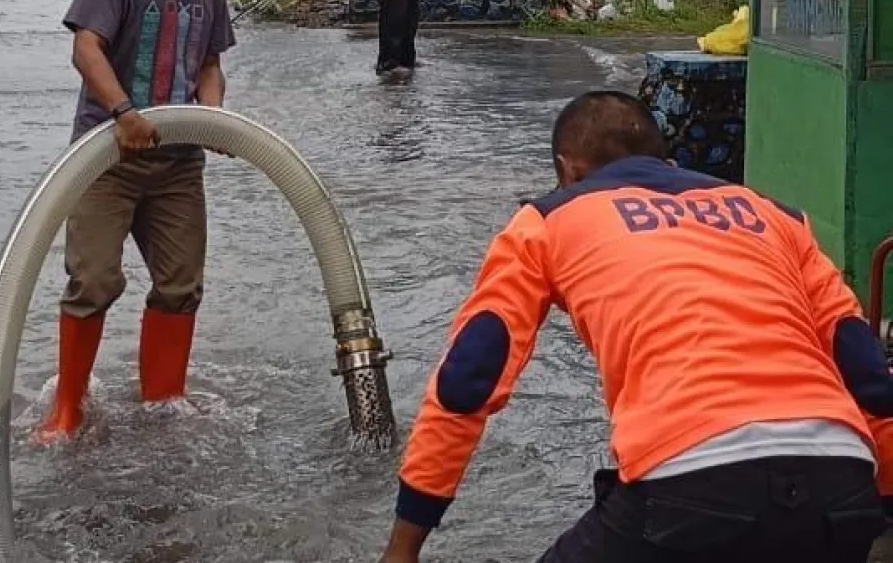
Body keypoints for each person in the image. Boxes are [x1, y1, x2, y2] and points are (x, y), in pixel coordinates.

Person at [380, 89, 893, 563]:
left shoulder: (547, 219)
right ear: (667, 162)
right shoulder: (776, 216)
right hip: (840, 478)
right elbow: (866, 372)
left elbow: (470, 379)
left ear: (568, 170)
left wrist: (404, 548)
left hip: (687, 482)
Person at [36, 0, 236, 443]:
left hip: (177, 165)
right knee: (94, 281)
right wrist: (124, 113)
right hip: (107, 158)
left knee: (180, 285)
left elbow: (208, 65)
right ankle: (67, 409)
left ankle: (164, 402)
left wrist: (213, 118)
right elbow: (86, 48)